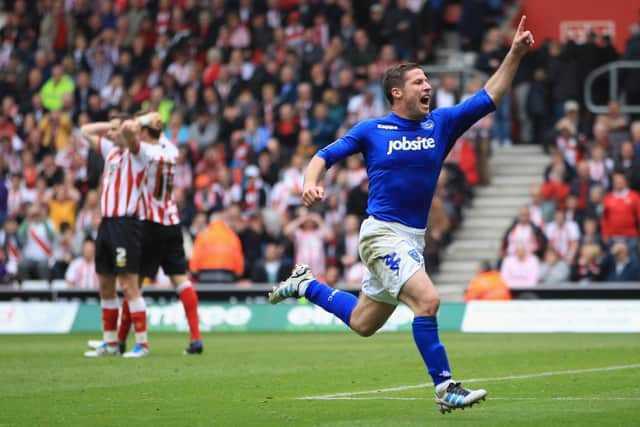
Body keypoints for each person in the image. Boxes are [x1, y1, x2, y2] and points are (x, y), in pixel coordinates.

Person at [269, 15, 535, 414]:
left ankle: (306, 285)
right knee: (427, 301)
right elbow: (323, 156)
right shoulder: (372, 130)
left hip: (411, 237)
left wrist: (514, 53)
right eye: (419, 82)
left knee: (363, 323)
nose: (427, 86)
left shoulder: (441, 124)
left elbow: (489, 96)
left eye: (427, 81)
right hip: (380, 234)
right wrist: (310, 182)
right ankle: (445, 387)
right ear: (397, 93)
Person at [80, 116, 152, 358]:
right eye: (109, 131)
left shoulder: (138, 154)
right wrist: (109, 127)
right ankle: (110, 343)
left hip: (125, 224)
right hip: (107, 224)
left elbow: (132, 133)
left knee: (128, 284)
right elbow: (84, 130)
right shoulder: (111, 151)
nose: (109, 135)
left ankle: (142, 343)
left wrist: (124, 126)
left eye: (115, 130)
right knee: (105, 284)